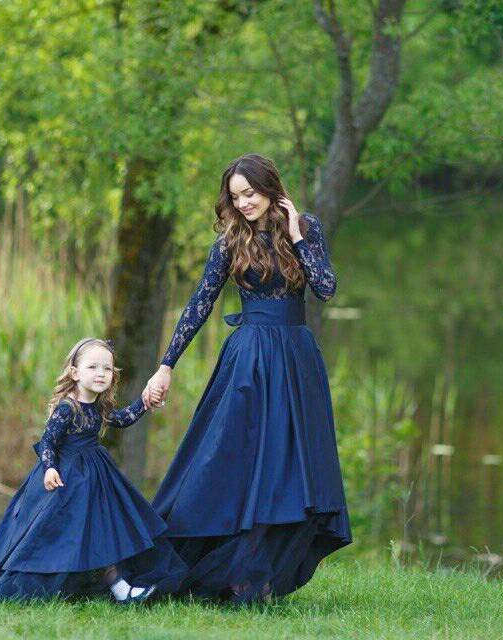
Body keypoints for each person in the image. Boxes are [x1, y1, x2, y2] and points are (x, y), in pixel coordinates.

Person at [143, 153, 352, 604]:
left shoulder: (306, 228)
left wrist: (297, 238)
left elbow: (327, 288)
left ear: (270, 188)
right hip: (249, 361)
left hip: (296, 360)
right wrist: (166, 365)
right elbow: (200, 302)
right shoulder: (230, 240)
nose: (243, 204)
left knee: (290, 467)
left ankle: (259, 575)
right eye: (235, 197)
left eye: (249, 194)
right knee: (229, 461)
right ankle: (218, 569)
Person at [0, 338, 187, 604]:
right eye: (93, 367)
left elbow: (122, 419)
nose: (101, 374)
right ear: (75, 373)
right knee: (59, 533)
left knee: (104, 526)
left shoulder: (99, 406)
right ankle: (55, 583)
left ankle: (119, 586)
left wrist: (145, 403)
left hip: (96, 476)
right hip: (66, 478)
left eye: (107, 369)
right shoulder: (68, 408)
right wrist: (50, 468)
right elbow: (48, 442)